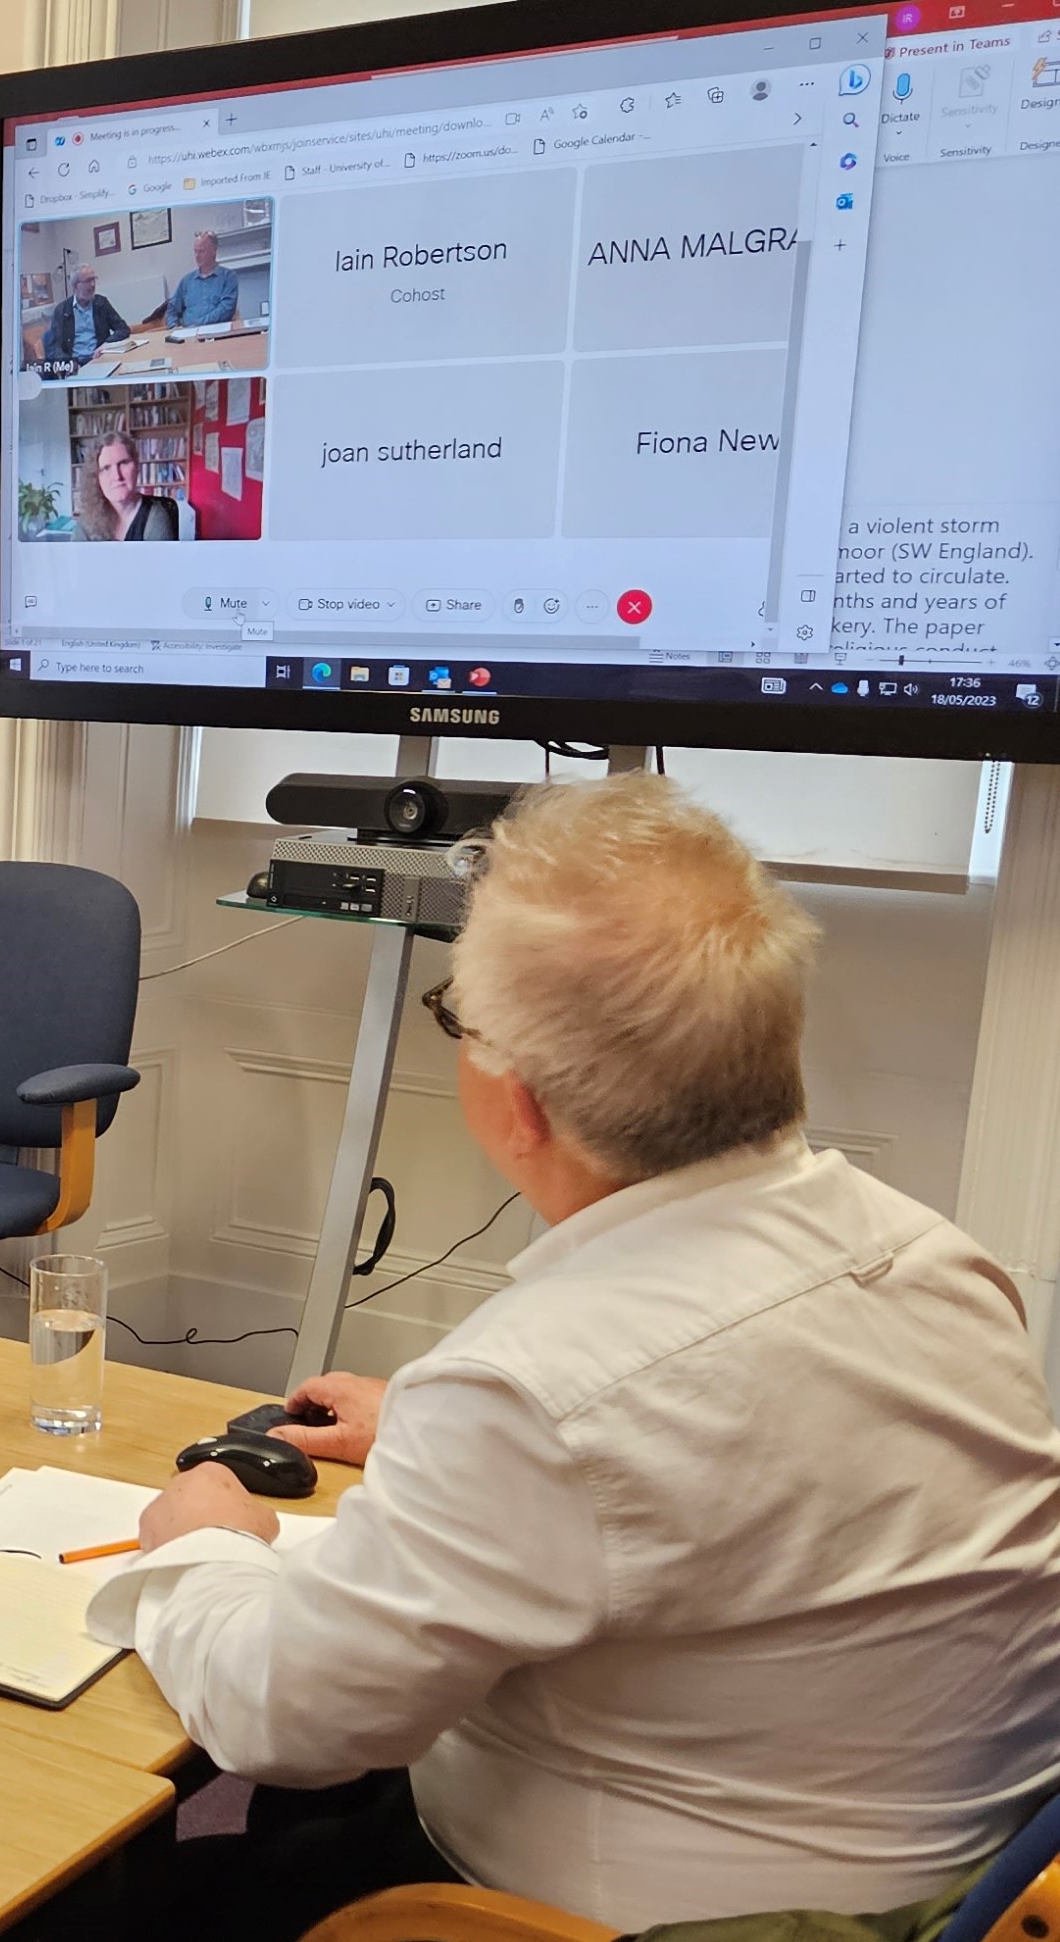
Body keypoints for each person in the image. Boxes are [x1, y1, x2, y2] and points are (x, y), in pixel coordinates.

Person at [90, 777, 1060, 1940]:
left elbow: (279, 1721)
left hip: (566, 1917)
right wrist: (444, 1439)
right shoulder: (928, 1256)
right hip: (944, 1881)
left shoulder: (534, 1389)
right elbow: (756, 1462)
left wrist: (201, 1542)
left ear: (521, 1104)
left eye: (456, 1014)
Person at [77, 432, 178, 542]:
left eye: (123, 463)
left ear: (137, 467)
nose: (117, 476)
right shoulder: (87, 520)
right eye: (106, 468)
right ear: (96, 477)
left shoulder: (156, 517)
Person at [40, 263, 129, 368]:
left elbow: (123, 328)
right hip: (75, 364)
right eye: (88, 281)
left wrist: (105, 345)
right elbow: (53, 347)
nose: (92, 285)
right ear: (75, 286)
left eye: (94, 280)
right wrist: (68, 363)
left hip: (100, 360)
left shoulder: (101, 303)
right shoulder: (62, 310)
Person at [162, 229, 239, 329]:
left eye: (201, 251)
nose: (197, 256)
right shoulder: (186, 281)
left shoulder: (228, 277)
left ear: (213, 251)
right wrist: (174, 327)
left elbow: (226, 310)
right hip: (187, 335)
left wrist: (196, 325)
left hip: (216, 332)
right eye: (195, 251)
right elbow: (172, 310)